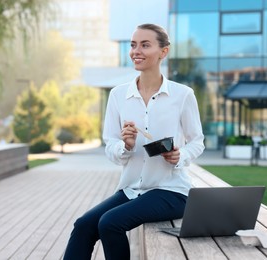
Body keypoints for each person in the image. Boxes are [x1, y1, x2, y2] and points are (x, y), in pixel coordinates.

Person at [63, 23, 204, 260]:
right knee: (83, 226)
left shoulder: (183, 95)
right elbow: (110, 145)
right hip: (131, 189)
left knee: (110, 223)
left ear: (164, 51)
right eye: (133, 45)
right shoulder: (118, 95)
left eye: (145, 45)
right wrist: (125, 146)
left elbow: (197, 141)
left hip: (170, 190)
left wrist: (181, 156)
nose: (136, 51)